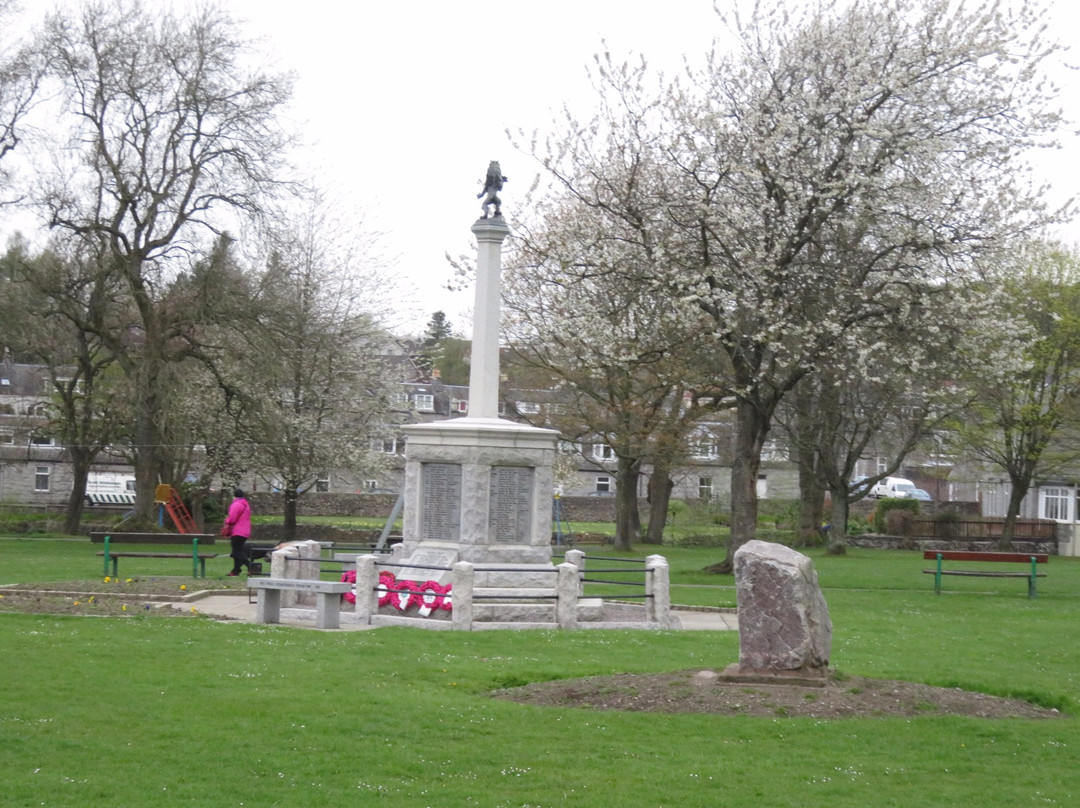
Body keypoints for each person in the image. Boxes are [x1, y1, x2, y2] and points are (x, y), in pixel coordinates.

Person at [222, 488, 252, 576]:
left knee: (237, 551)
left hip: (238, 531)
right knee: (237, 550)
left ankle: (250, 567)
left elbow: (232, 519)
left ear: (234, 496)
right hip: (245, 530)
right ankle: (236, 570)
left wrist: (226, 521)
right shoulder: (246, 504)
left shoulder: (237, 504)